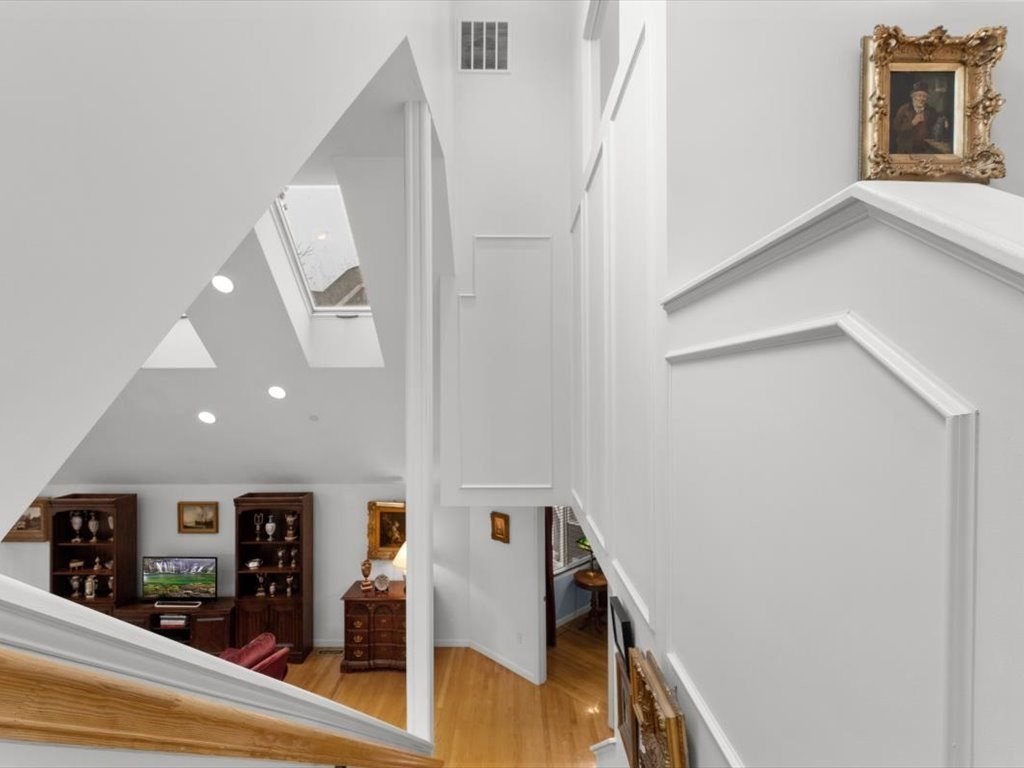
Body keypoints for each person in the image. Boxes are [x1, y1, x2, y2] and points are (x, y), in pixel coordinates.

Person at [891, 80, 948, 154]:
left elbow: (939, 118)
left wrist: (944, 120)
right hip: (906, 149)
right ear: (913, 97)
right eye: (919, 95)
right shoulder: (904, 109)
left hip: (924, 150)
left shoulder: (930, 110)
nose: (921, 99)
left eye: (924, 96)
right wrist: (912, 123)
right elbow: (895, 127)